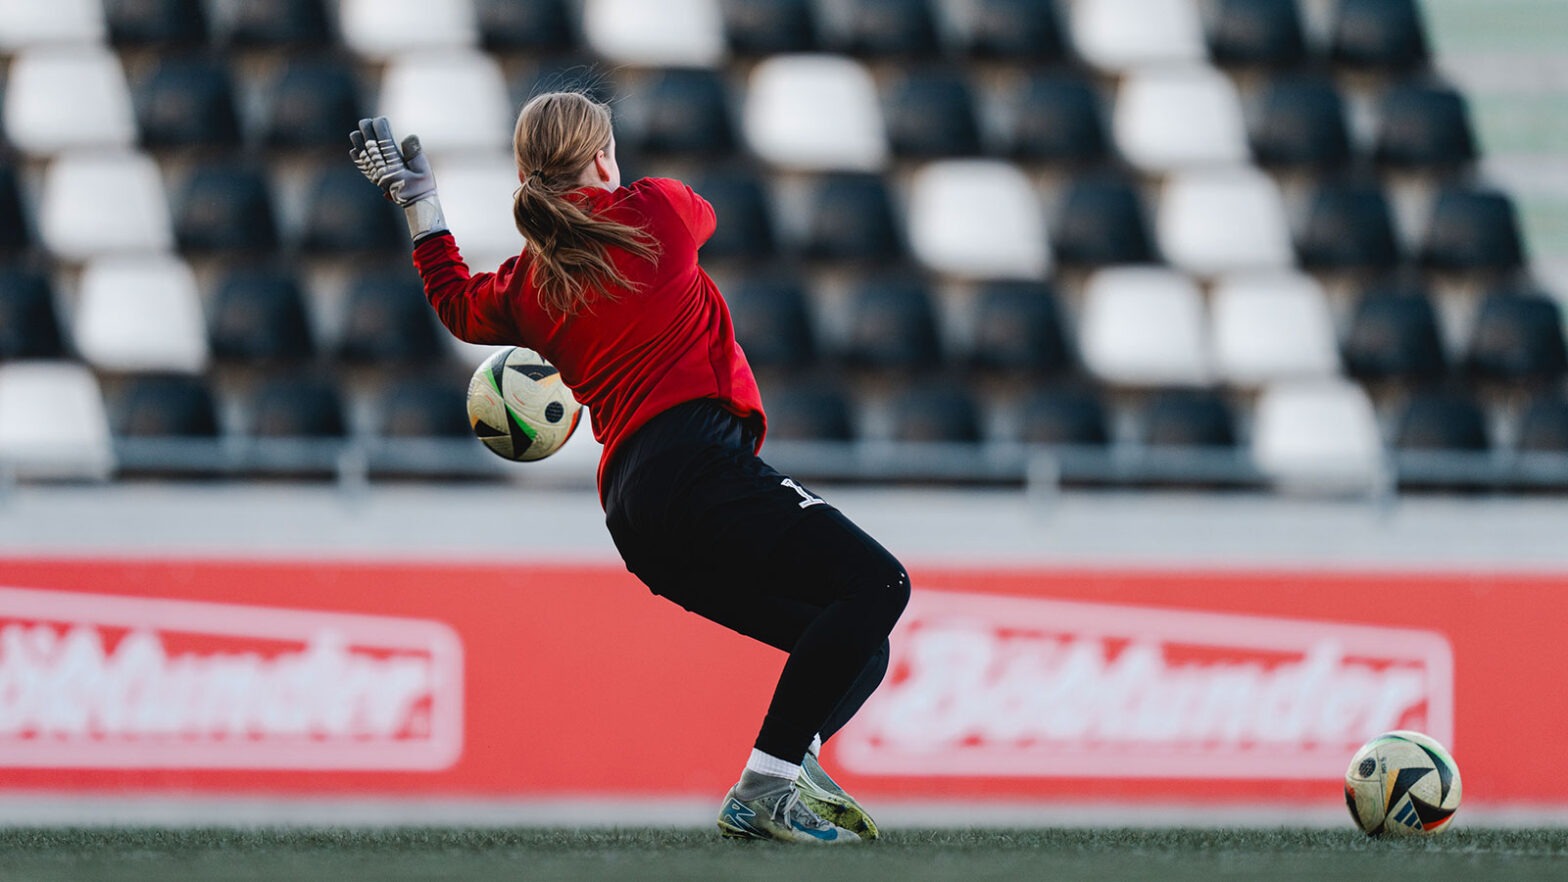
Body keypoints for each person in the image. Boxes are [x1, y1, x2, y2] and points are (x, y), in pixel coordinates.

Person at [349, 94, 909, 845]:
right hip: (697, 464)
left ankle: (784, 772)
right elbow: (698, 214)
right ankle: (767, 784)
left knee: (855, 646)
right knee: (879, 584)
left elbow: (455, 306)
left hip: (635, 517)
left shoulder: (526, 284)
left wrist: (423, 208)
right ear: (605, 156)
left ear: (525, 173)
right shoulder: (660, 212)